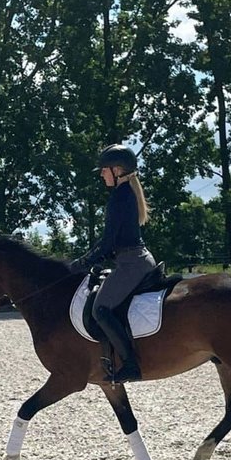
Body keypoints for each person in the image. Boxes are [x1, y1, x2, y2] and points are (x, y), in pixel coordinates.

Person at [68, 144, 156, 384]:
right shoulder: (125, 193)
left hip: (132, 263)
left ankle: (130, 364)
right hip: (131, 260)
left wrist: (84, 261)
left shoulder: (121, 195)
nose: (101, 174)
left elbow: (108, 241)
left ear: (117, 170)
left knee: (100, 309)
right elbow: (112, 241)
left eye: (104, 170)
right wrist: (93, 258)